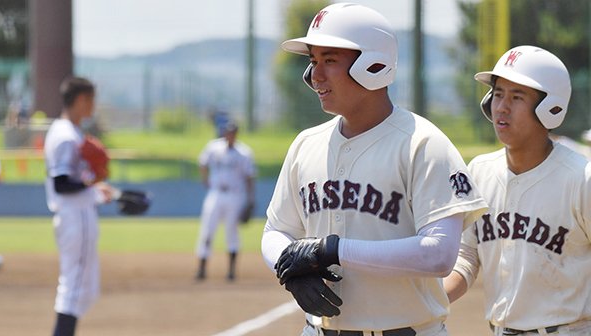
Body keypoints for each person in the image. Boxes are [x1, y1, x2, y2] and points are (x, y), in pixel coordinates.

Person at [260, 3, 488, 336]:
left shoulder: (422, 144)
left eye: (329, 61)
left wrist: (334, 250)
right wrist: (291, 269)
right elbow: (276, 231)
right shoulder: (305, 144)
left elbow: (439, 253)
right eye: (313, 62)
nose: (315, 76)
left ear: (373, 65)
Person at [443, 45, 591, 335]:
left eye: (517, 97)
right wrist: (423, 299)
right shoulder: (480, 171)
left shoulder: (581, 178)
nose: (502, 106)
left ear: (551, 108)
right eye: (498, 94)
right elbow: (467, 256)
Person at [44, 76, 114, 336]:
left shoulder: (69, 131)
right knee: (73, 291)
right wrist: (91, 186)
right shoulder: (65, 136)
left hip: (76, 214)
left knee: (82, 290)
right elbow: (62, 183)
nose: (94, 106)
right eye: (92, 100)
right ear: (82, 100)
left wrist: (96, 190)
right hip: (75, 217)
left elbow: (73, 181)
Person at [195, 121, 256, 281]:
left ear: (237, 133)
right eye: (228, 132)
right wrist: (205, 180)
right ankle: (201, 269)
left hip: (235, 195)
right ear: (224, 133)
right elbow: (202, 162)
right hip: (216, 193)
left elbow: (249, 177)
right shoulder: (213, 147)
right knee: (207, 229)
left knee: (232, 231)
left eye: (233, 132)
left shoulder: (244, 152)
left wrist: (250, 200)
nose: (230, 135)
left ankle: (231, 271)